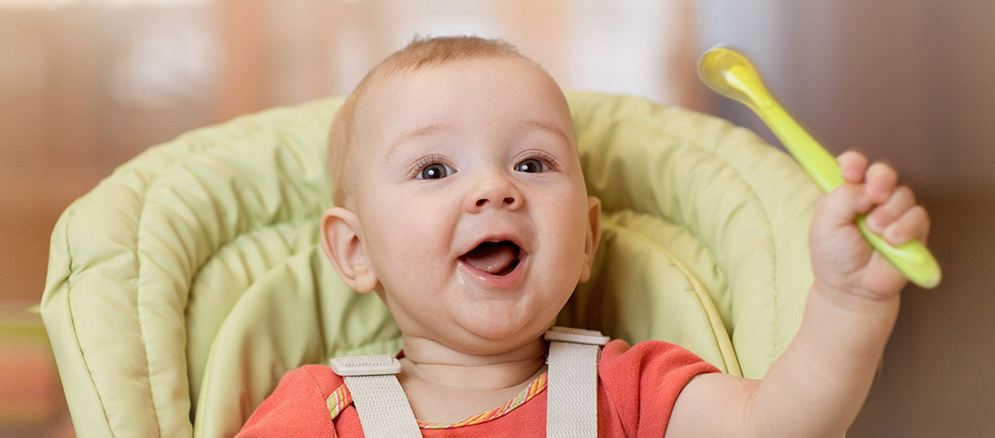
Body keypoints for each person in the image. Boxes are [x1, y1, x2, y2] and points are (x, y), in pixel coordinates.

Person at [237, 36, 931, 437]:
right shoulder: (319, 411)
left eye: (532, 164)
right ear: (355, 252)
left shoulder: (627, 388)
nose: (494, 189)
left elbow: (778, 425)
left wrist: (849, 303)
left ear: (589, 237)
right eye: (434, 169)